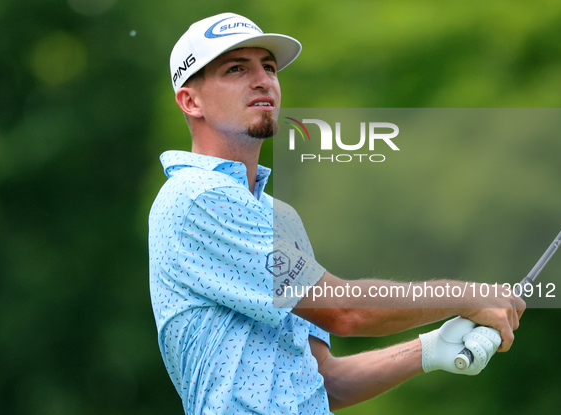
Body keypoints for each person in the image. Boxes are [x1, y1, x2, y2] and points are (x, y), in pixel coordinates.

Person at [148, 12, 526, 414]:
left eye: (269, 67)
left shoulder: (279, 215)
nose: (263, 80)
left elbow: (326, 381)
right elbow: (343, 310)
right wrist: (464, 296)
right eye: (236, 68)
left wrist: (429, 349)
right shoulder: (196, 197)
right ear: (191, 101)